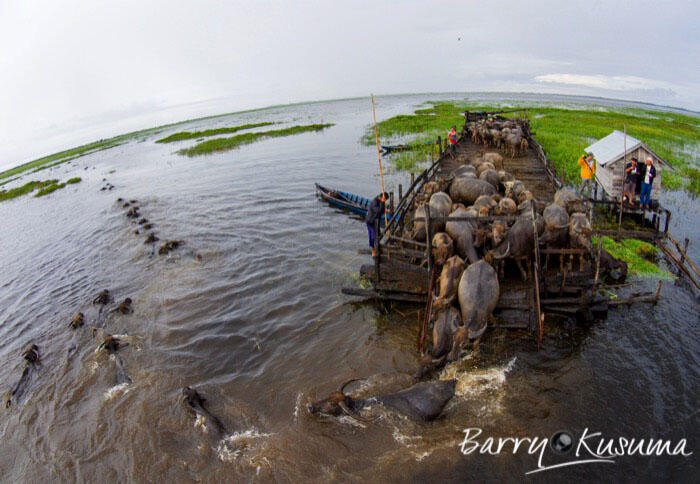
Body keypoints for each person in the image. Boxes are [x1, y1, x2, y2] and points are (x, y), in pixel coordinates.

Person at [365, 192, 386, 257]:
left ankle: (377, 247)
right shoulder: (374, 202)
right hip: (370, 221)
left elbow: (381, 210)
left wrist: (385, 209)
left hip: (376, 221)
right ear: (380, 197)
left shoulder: (379, 201)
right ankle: (373, 250)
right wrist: (382, 202)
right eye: (384, 199)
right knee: (372, 236)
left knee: (378, 234)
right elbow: (378, 211)